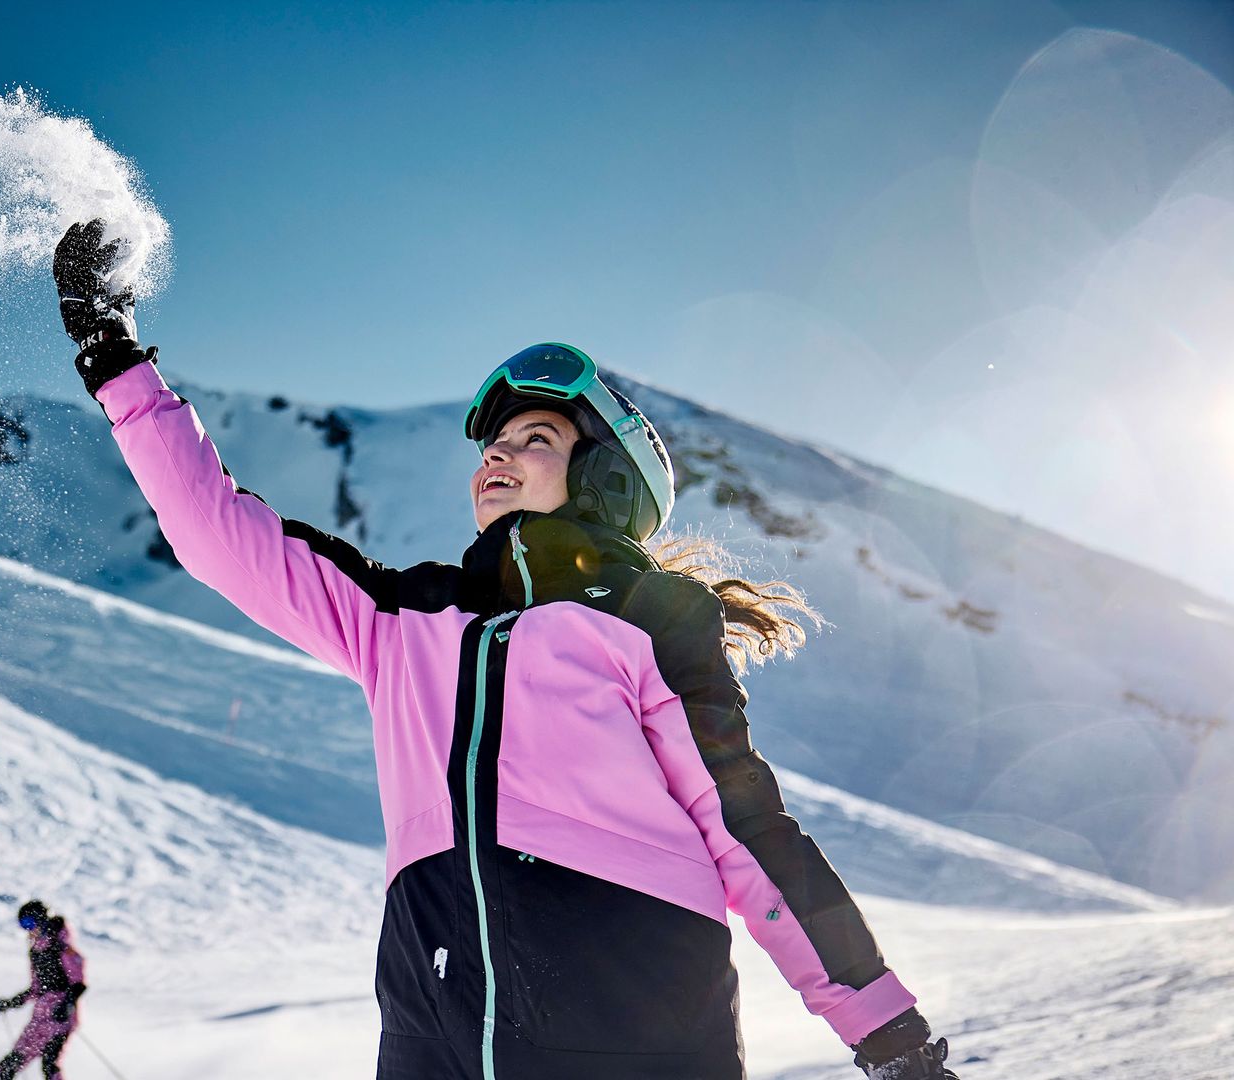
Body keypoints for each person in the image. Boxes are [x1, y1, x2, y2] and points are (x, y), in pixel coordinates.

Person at [52, 221, 960, 1080]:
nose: (498, 453)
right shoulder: (404, 617)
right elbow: (218, 533)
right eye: (492, 440)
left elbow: (745, 830)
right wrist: (116, 359)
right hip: (430, 1027)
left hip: (631, 1020)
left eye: (536, 437)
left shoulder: (652, 617)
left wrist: (884, 1026)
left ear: (603, 480)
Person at [0, 900, 87, 1080]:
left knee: (49, 1063)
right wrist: (10, 1003)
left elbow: (78, 982)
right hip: (41, 1018)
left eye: (29, 923)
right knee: (8, 1066)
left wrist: (67, 1004)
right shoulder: (36, 951)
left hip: (61, 1019)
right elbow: (36, 988)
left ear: (42, 920)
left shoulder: (60, 946)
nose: (27, 929)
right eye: (23, 925)